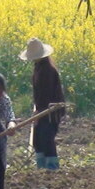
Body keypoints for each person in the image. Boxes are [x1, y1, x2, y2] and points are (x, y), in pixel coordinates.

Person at [20, 38, 65, 170]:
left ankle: (51, 168)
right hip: (42, 108)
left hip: (50, 110)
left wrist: (39, 113)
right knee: (37, 141)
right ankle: (42, 168)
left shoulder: (47, 70)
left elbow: (45, 94)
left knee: (46, 139)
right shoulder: (39, 67)